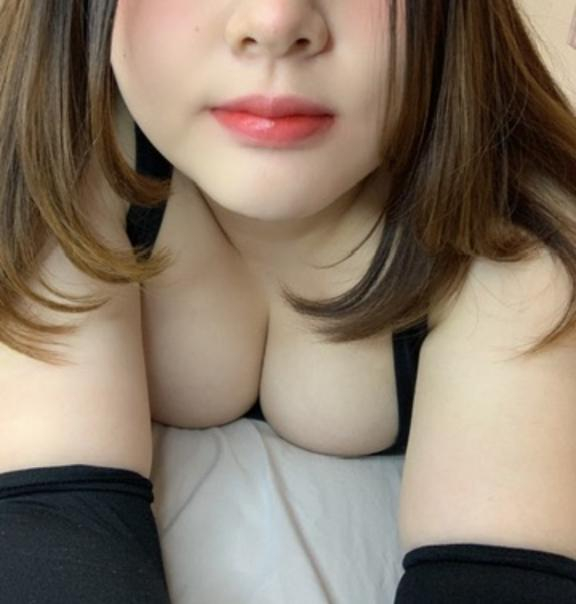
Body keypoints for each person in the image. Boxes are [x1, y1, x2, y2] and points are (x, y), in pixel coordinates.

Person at [1, 0, 576, 602]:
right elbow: (51, 535)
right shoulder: (54, 153)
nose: (274, 22)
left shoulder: (521, 244)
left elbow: (499, 583)